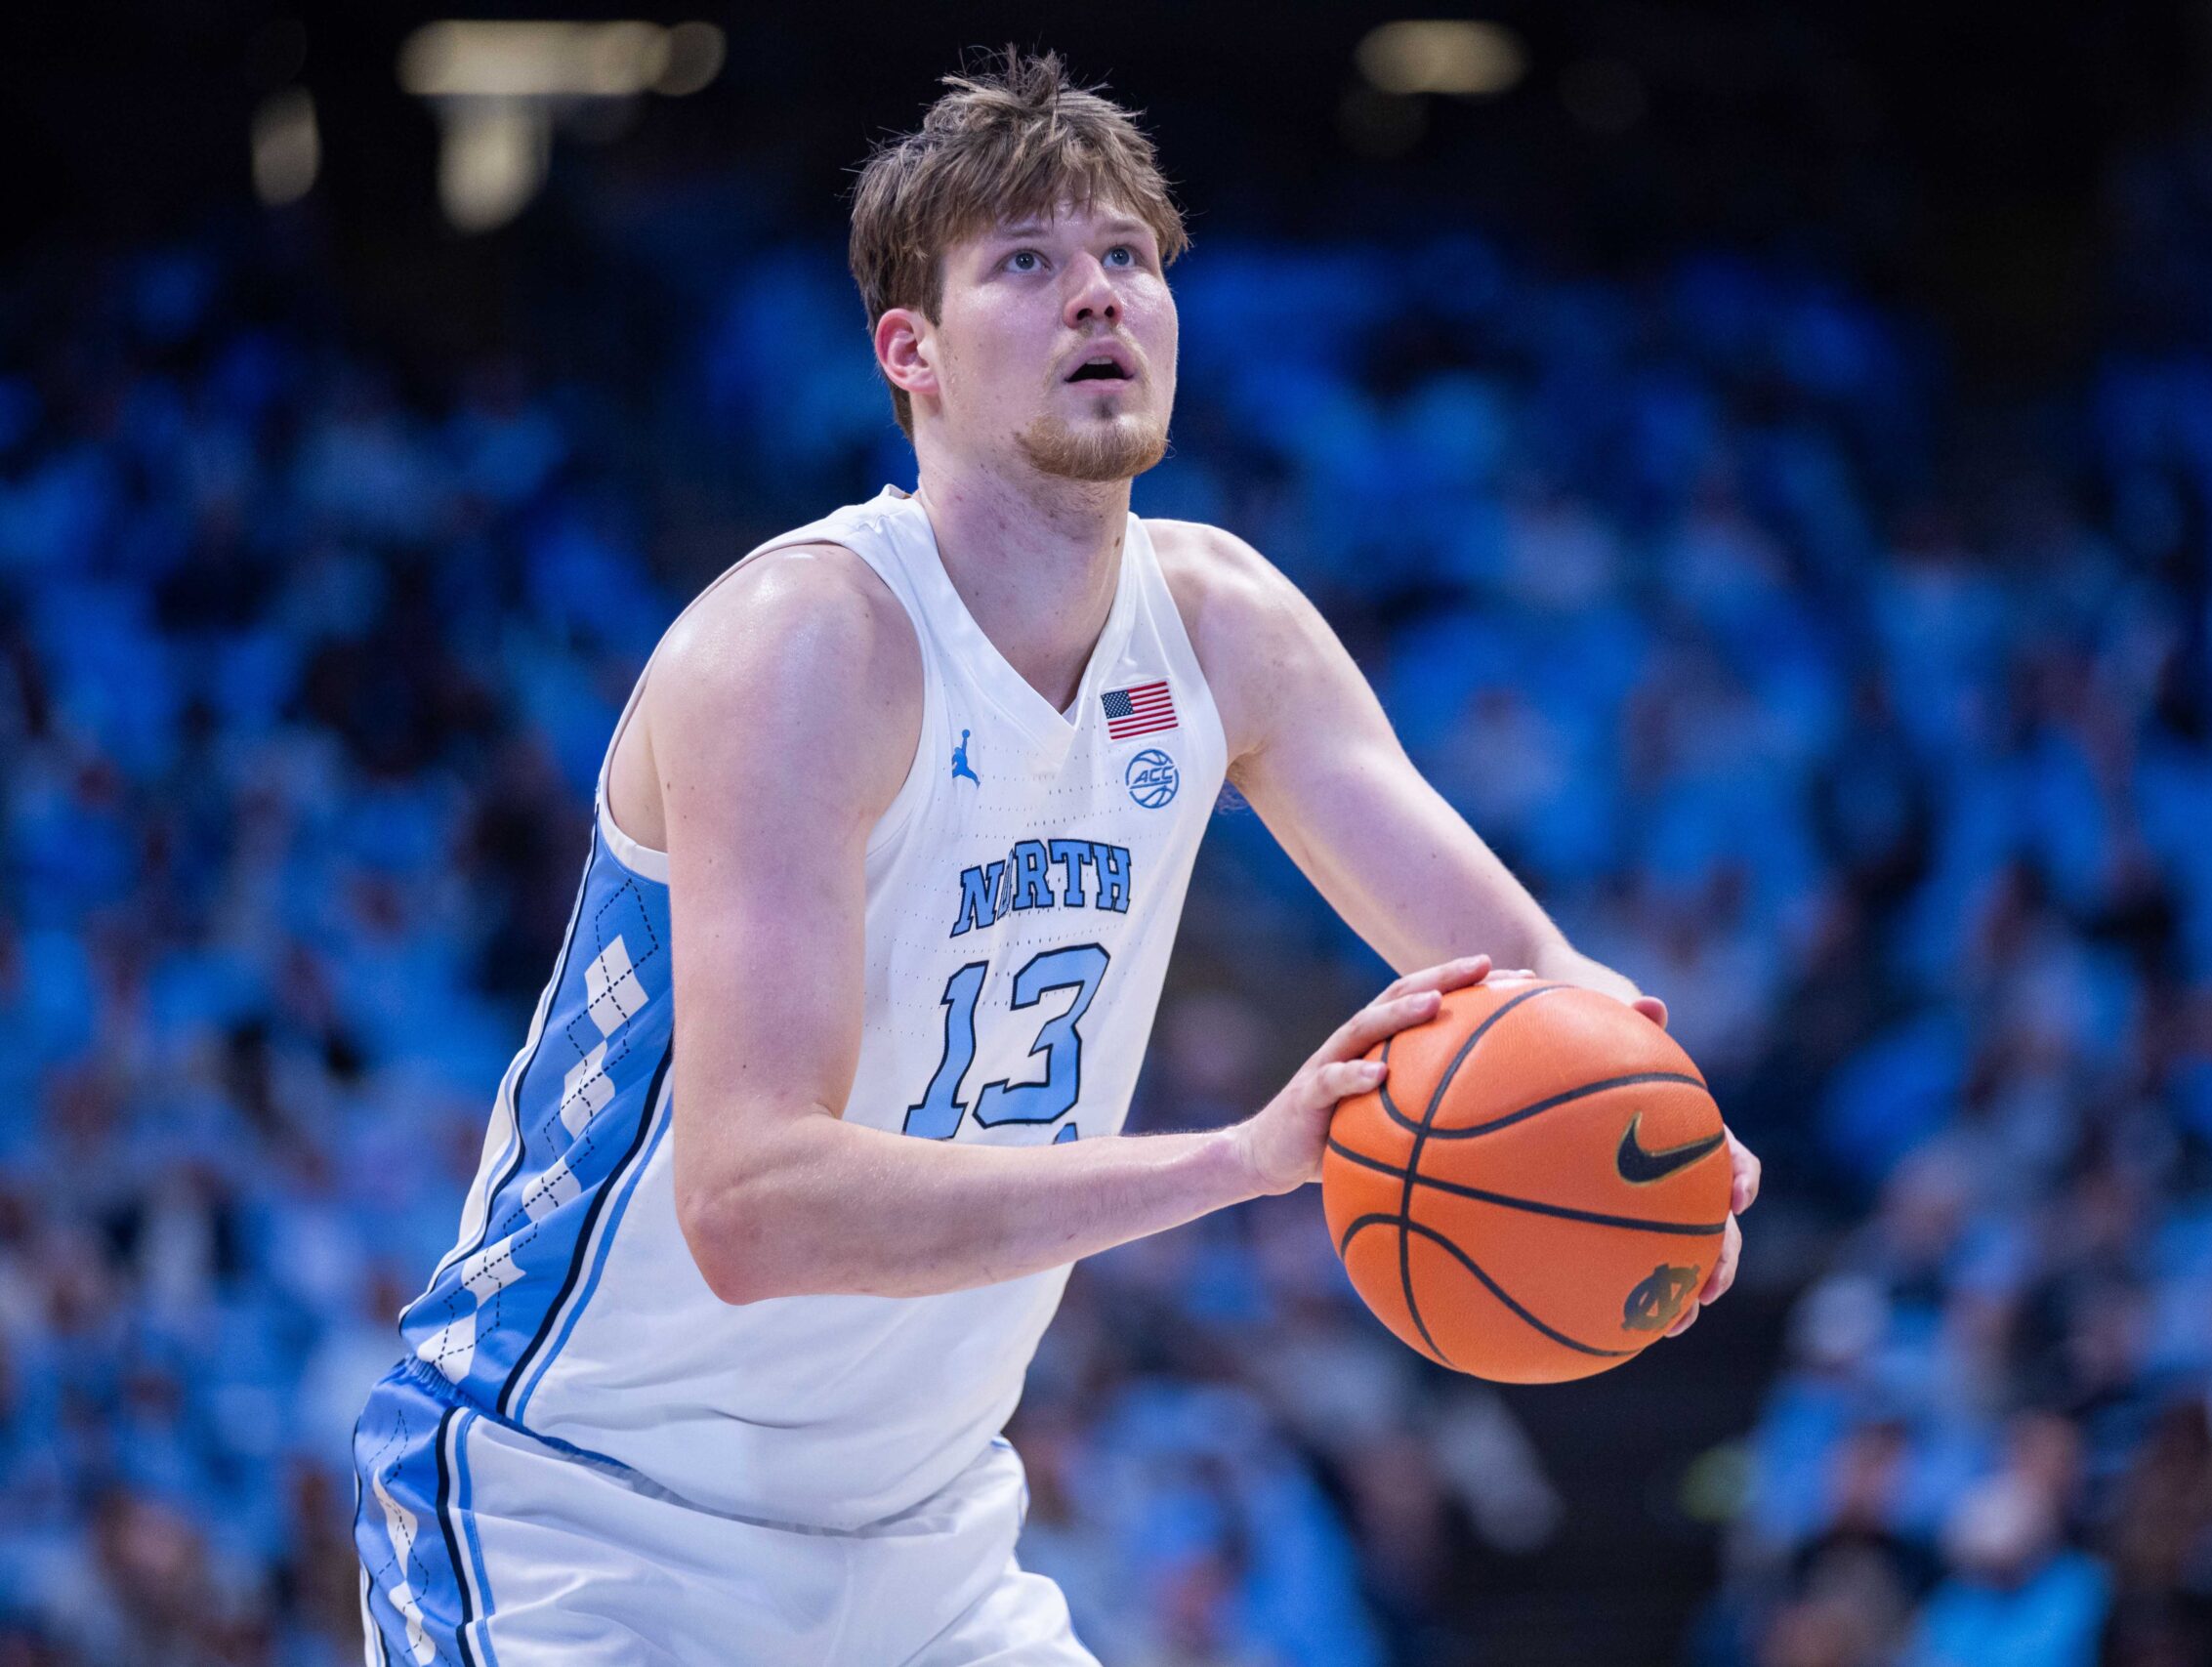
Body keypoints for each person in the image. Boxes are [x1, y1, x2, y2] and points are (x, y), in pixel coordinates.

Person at [350, 48, 1759, 1666]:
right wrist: (1244, 1156)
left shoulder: (1226, 627)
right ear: (915, 354)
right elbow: (755, 1205)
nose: (1096, 295)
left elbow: (1527, 982)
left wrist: (1664, 1139)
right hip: (583, 1517)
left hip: (927, 1541)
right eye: (1025, 263)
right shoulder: (803, 648)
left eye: (1128, 260)